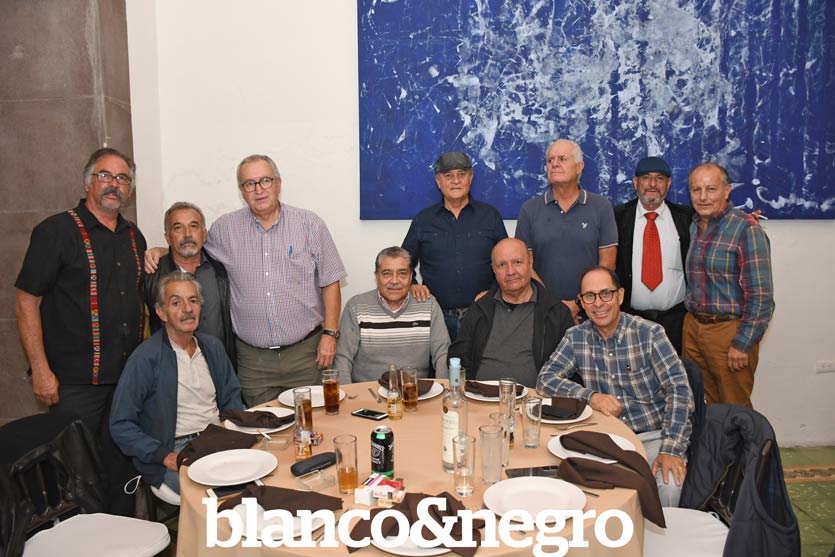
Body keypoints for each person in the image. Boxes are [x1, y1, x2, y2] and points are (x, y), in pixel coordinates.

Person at [146, 154, 347, 406]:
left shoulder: (310, 224)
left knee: (314, 422)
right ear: (242, 191)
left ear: (278, 184)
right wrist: (162, 250)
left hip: (307, 353)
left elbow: (330, 280)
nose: (258, 190)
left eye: (265, 181)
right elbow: (191, 245)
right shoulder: (225, 229)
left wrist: (330, 334)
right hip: (254, 363)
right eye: (249, 184)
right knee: (261, 424)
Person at [15, 147, 146, 515]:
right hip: (74, 383)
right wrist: (40, 369)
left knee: (120, 468)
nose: (114, 184)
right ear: (88, 182)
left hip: (124, 381)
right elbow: (26, 301)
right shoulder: (56, 231)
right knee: (75, 475)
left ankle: (123, 535)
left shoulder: (133, 237)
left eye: (123, 178)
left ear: (129, 189)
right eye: (105, 175)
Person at [537, 266, 694, 506]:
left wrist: (671, 450)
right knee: (570, 483)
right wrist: (591, 397)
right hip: (605, 438)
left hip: (651, 435)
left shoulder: (649, 333)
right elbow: (545, 379)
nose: (598, 303)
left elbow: (679, 390)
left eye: (605, 293)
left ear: (620, 296)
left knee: (670, 484)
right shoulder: (576, 336)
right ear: (582, 302)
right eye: (590, 296)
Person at [110, 272, 242, 494]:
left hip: (217, 439)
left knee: (265, 472)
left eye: (193, 300)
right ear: (161, 312)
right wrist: (163, 455)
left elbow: (232, 399)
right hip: (176, 448)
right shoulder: (145, 358)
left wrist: (234, 435)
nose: (187, 309)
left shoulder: (212, 347)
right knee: (223, 493)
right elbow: (120, 424)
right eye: (176, 302)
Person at [683, 163, 774, 407]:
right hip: (693, 329)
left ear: (727, 191)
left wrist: (743, 343)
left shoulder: (746, 229)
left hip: (728, 333)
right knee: (702, 406)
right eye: (696, 189)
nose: (703, 196)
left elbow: (761, 295)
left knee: (735, 410)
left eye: (711, 189)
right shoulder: (695, 226)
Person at [402, 152, 508, 340]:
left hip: (483, 314)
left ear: (470, 178)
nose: (456, 181)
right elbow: (403, 261)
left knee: (484, 360)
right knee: (440, 361)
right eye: (448, 175)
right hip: (436, 318)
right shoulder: (423, 220)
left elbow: (506, 262)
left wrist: (494, 291)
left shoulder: (490, 216)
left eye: (462, 174)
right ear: (438, 181)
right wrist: (412, 285)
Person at [516, 139, 618, 322]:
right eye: (550, 160)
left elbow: (608, 263)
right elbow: (524, 265)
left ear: (579, 167)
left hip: (592, 313)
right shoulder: (529, 210)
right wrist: (555, 306)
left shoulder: (601, 207)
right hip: (543, 313)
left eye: (562, 159)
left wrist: (579, 303)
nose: (554, 164)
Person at [449, 239, 573, 387]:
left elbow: (570, 368)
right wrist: (472, 389)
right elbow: (458, 357)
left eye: (517, 262)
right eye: (502, 265)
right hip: (480, 396)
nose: (510, 271)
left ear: (530, 262)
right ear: (494, 270)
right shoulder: (479, 309)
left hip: (535, 398)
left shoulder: (557, 313)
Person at [334, 247, 449, 383]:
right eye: (387, 274)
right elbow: (343, 358)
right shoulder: (356, 306)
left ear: (411, 277)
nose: (394, 281)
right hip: (367, 391)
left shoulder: (428, 305)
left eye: (402, 274)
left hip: (414, 391)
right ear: (377, 276)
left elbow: (442, 354)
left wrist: (444, 389)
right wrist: (347, 393)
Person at [613, 156, 693, 354]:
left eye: (659, 178)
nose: (652, 184)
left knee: (676, 371)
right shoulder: (617, 217)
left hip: (676, 322)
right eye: (646, 178)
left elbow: (716, 221)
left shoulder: (687, 217)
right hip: (630, 320)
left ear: (668, 183)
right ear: (635, 182)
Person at [145, 202, 235, 365]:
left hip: (220, 366)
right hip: (174, 369)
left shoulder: (221, 270)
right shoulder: (153, 276)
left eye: (193, 226)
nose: (187, 234)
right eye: (178, 228)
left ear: (204, 234)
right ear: (168, 238)